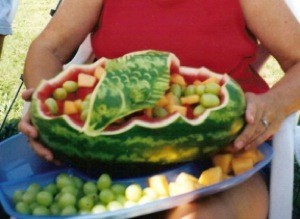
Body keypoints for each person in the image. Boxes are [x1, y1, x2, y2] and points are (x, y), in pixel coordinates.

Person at [18, 0, 300, 218]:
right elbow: (48, 48)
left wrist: (274, 104)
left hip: (225, 153)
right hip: (110, 150)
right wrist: (49, 110)